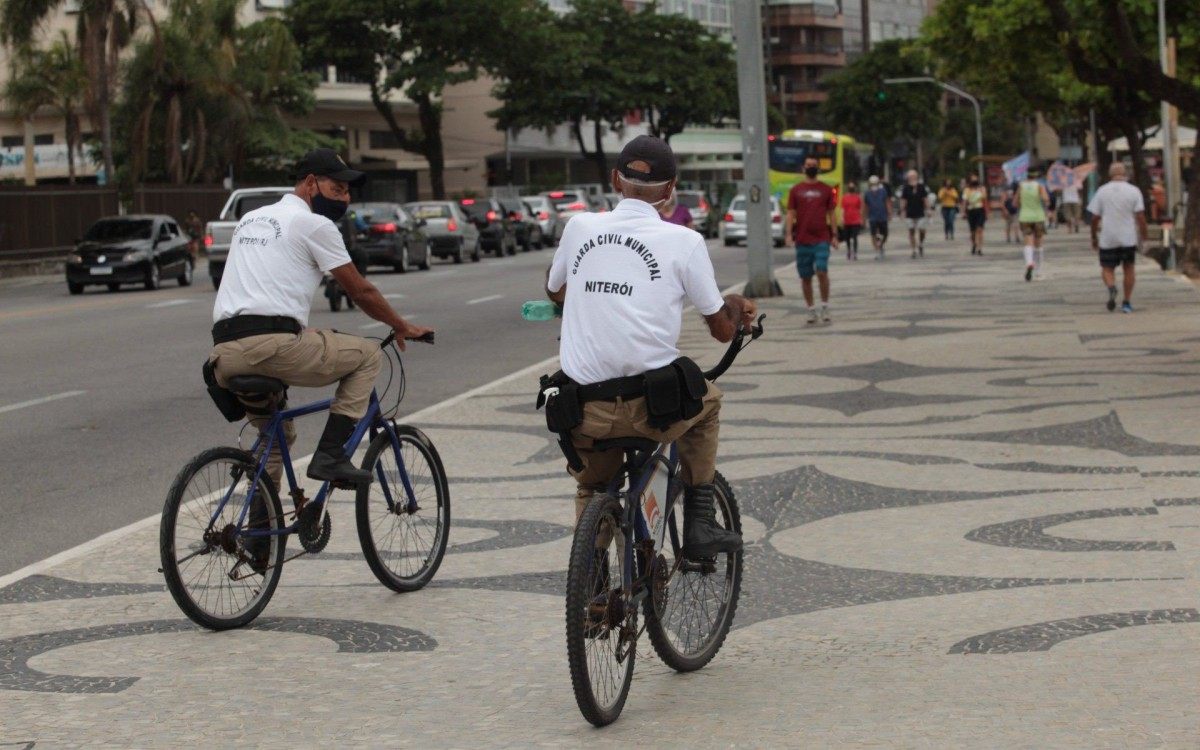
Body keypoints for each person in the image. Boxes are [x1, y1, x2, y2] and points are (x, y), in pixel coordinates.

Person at [544, 134, 754, 559]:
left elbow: (555, 291)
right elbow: (720, 330)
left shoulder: (580, 227)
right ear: (671, 189)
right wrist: (732, 307)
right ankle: (699, 524)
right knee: (708, 403)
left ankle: (593, 586)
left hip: (584, 411)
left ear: (615, 180)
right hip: (652, 410)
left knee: (593, 485)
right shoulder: (684, 242)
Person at [209, 147, 433, 492]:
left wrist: (294, 327)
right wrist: (401, 326)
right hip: (270, 347)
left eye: (347, 193)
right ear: (311, 184)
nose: (344, 199)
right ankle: (330, 455)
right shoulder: (313, 224)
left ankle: (257, 540)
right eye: (338, 190)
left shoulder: (252, 218)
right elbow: (361, 292)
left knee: (276, 439)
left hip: (224, 354)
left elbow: (262, 287)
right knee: (368, 355)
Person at [1087, 161, 1146, 313]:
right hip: (1128, 237)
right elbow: (1140, 216)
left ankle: (1111, 287)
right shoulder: (1134, 191)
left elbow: (1094, 218)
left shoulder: (1102, 191)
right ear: (1125, 174)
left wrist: (1093, 236)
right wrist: (1144, 235)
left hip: (1108, 237)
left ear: (1110, 174)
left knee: (1107, 268)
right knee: (1129, 268)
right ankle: (1126, 302)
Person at [785, 156, 838, 323]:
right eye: (809, 165)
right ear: (803, 168)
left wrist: (835, 235)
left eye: (814, 165)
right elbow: (791, 213)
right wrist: (788, 234)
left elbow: (831, 213)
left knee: (822, 271)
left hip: (822, 238)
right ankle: (810, 309)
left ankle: (825, 306)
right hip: (802, 239)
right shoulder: (796, 190)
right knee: (805, 277)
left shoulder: (826, 190)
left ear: (818, 168)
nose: (811, 168)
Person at [1016, 166, 1051, 280]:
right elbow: (1046, 199)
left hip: (1025, 217)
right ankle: (1039, 272)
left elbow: (1015, 202)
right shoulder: (1039, 186)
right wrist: (1046, 203)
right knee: (1039, 244)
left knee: (1028, 242)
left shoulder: (1021, 186)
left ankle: (1029, 263)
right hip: (1038, 217)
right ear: (1036, 175)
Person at [900, 170, 931, 259]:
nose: (912, 178)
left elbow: (925, 199)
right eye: (910, 177)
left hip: (920, 212)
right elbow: (903, 200)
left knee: (922, 229)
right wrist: (902, 211)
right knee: (911, 231)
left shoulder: (921, 187)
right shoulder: (905, 188)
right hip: (909, 213)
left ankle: (921, 243)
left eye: (914, 176)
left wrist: (928, 209)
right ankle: (913, 249)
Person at [863, 175, 892, 260]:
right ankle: (877, 251)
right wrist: (864, 218)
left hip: (882, 216)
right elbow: (865, 206)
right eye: (872, 183)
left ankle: (881, 246)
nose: (873, 185)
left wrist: (889, 213)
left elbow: (887, 202)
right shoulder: (867, 193)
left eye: (875, 183)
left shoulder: (883, 191)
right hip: (872, 217)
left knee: (885, 234)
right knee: (873, 234)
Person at [961, 175, 988, 256]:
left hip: (980, 210)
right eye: (973, 180)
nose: (975, 181)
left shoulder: (982, 189)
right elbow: (965, 201)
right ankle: (974, 244)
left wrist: (987, 212)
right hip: (971, 211)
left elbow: (984, 198)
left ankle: (980, 248)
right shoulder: (967, 190)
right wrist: (963, 212)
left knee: (980, 229)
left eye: (976, 179)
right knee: (972, 231)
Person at [841, 181, 864, 261]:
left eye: (852, 187)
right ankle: (848, 251)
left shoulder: (858, 197)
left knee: (855, 237)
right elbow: (843, 209)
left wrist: (861, 219)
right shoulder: (844, 197)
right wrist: (842, 218)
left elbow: (860, 209)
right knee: (847, 238)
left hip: (855, 220)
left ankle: (855, 252)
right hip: (847, 219)